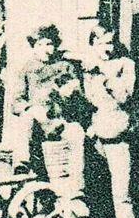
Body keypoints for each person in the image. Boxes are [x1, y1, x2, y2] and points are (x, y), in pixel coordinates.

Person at [83, 25, 139, 218]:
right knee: (96, 193)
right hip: (94, 136)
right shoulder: (86, 68)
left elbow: (125, 95)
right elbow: (83, 100)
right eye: (101, 44)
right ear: (93, 45)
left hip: (118, 135)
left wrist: (106, 75)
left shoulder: (125, 65)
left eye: (110, 43)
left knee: (122, 193)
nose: (107, 48)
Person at [8, 25, 87, 184]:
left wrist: (71, 93)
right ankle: (21, 164)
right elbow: (16, 102)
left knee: (77, 132)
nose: (45, 49)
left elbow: (80, 100)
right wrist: (31, 109)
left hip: (60, 120)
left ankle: (78, 186)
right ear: (34, 47)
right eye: (40, 45)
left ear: (55, 45)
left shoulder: (66, 67)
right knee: (26, 117)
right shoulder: (27, 69)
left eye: (49, 44)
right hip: (37, 124)